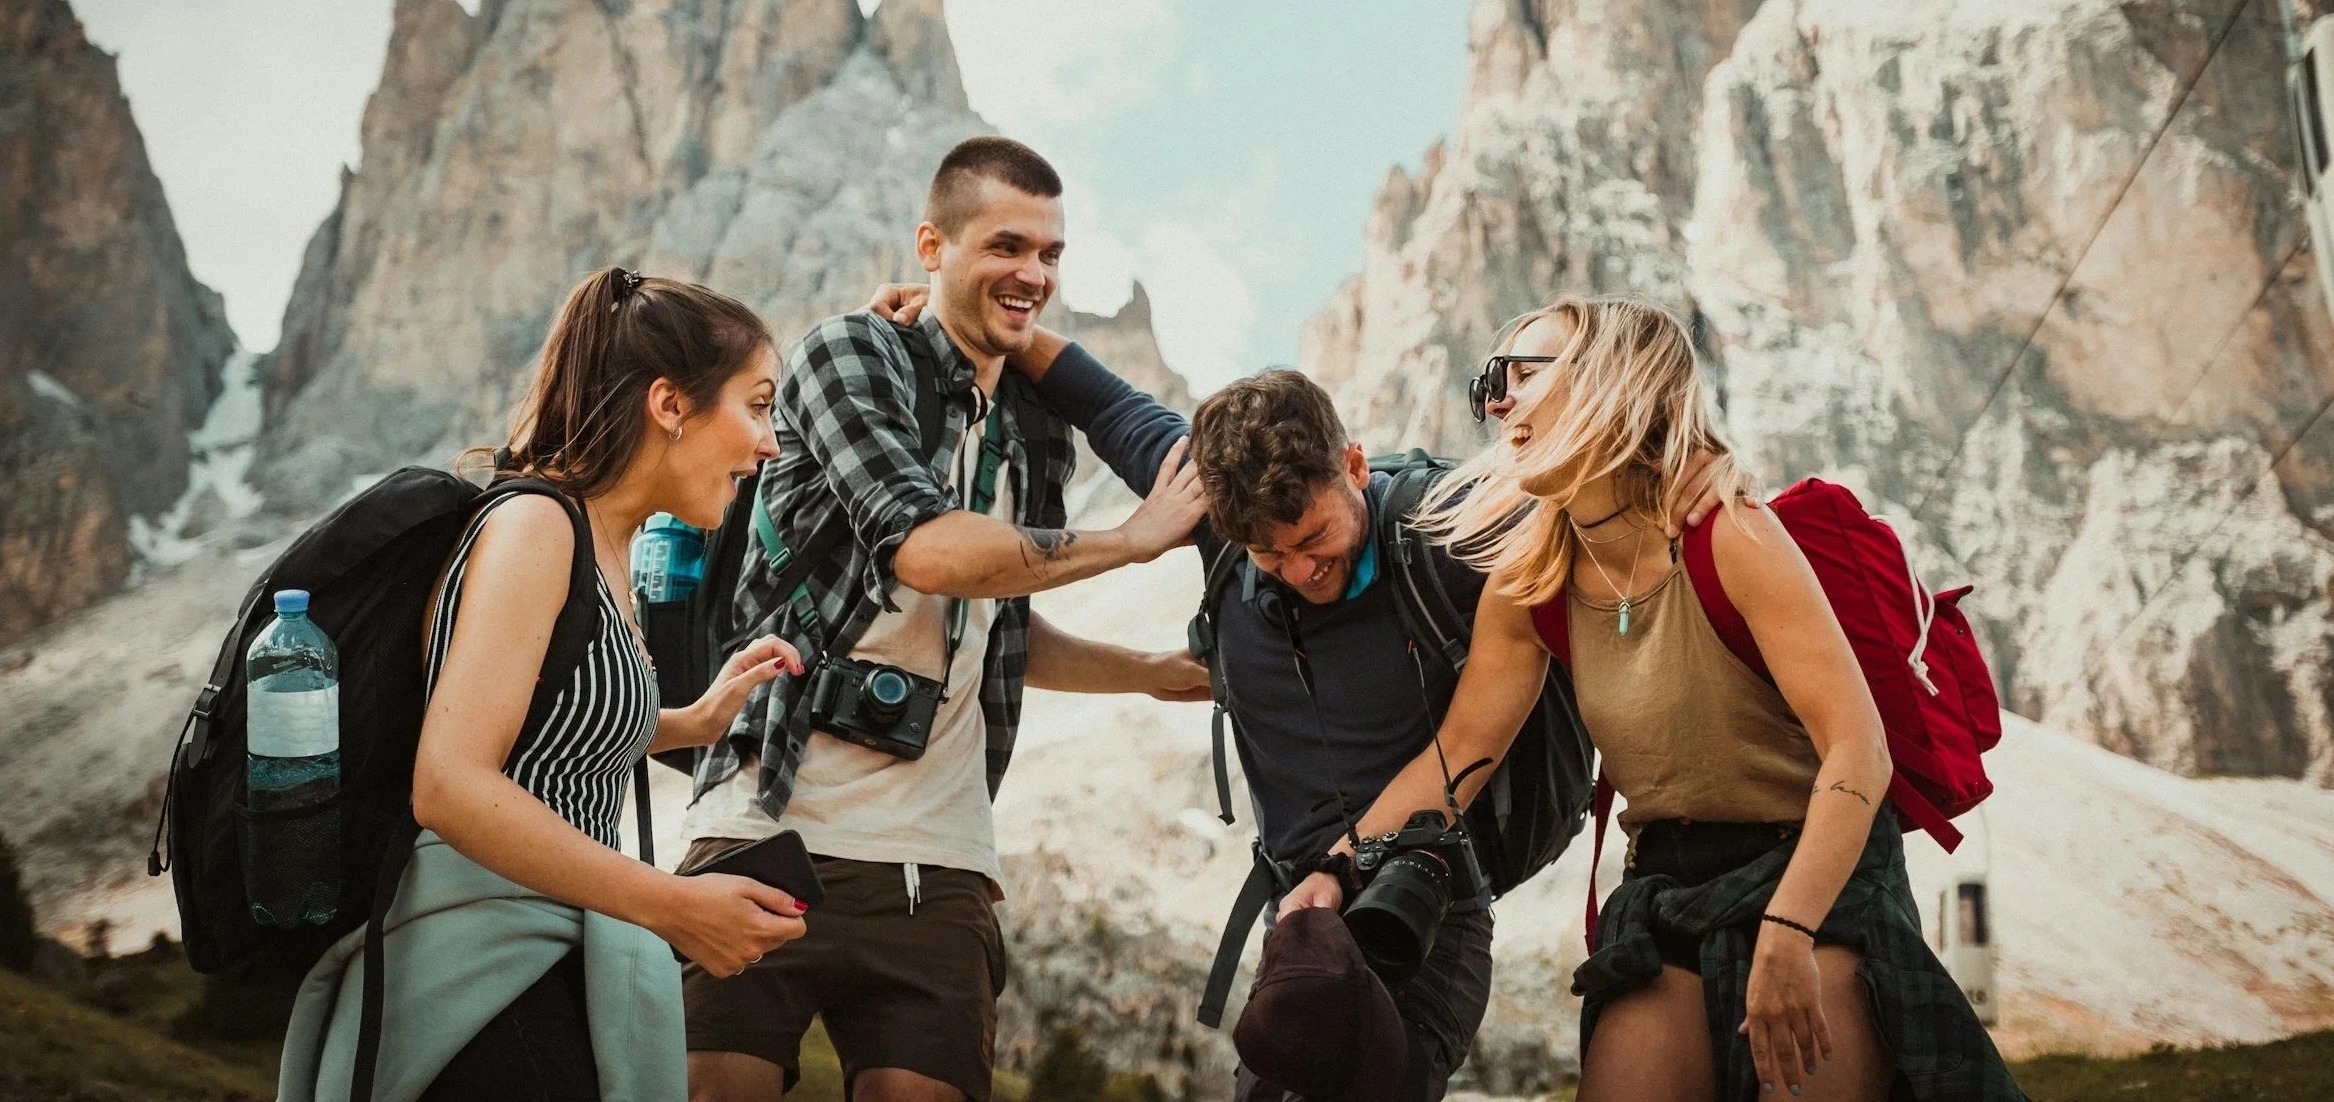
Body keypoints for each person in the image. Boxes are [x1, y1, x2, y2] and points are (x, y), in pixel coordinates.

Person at [857, 290, 1591, 1102]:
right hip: (1303, 919)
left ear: (1353, 464)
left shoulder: (1448, 526)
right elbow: (1103, 400)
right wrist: (966, 308)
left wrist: (1344, 869)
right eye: (1268, 556)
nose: (1303, 571)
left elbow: (1491, 706)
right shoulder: (1214, 518)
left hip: (1423, 902)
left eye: (1316, 538)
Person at [1289, 296, 2025, 1102]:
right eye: (1488, 384)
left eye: (1519, 375)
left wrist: (1790, 928)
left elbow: (1860, 749)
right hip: (1665, 882)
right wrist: (1336, 864)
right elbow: (1459, 751)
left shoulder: (1730, 534)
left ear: (1614, 378)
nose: (1496, 401)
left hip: (1814, 866)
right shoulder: (1530, 579)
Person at [683, 137, 1211, 1102]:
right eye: (1007, 245)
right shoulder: (850, 353)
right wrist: (1130, 541)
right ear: (932, 243)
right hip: (770, 819)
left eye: (1052, 254)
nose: (1035, 273)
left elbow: (994, 626)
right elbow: (923, 548)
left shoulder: (1034, 423)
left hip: (943, 858)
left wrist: (1146, 669)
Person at [285, 267, 817, 1102]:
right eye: (756, 404)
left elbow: (544, 729)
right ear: (670, 405)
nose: (770, 442)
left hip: (545, 960)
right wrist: (674, 907)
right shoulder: (537, 526)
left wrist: (691, 720)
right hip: (479, 980)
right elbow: (451, 784)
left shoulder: (605, 549)